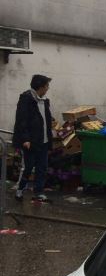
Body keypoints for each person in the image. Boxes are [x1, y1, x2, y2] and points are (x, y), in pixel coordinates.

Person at [13, 74, 54, 202]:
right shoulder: (26, 99)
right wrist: (25, 139)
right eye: (47, 86)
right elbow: (21, 120)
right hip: (31, 141)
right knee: (28, 167)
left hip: (44, 140)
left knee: (42, 167)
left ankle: (38, 191)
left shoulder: (45, 100)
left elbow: (45, 118)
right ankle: (20, 190)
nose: (48, 88)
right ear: (40, 87)